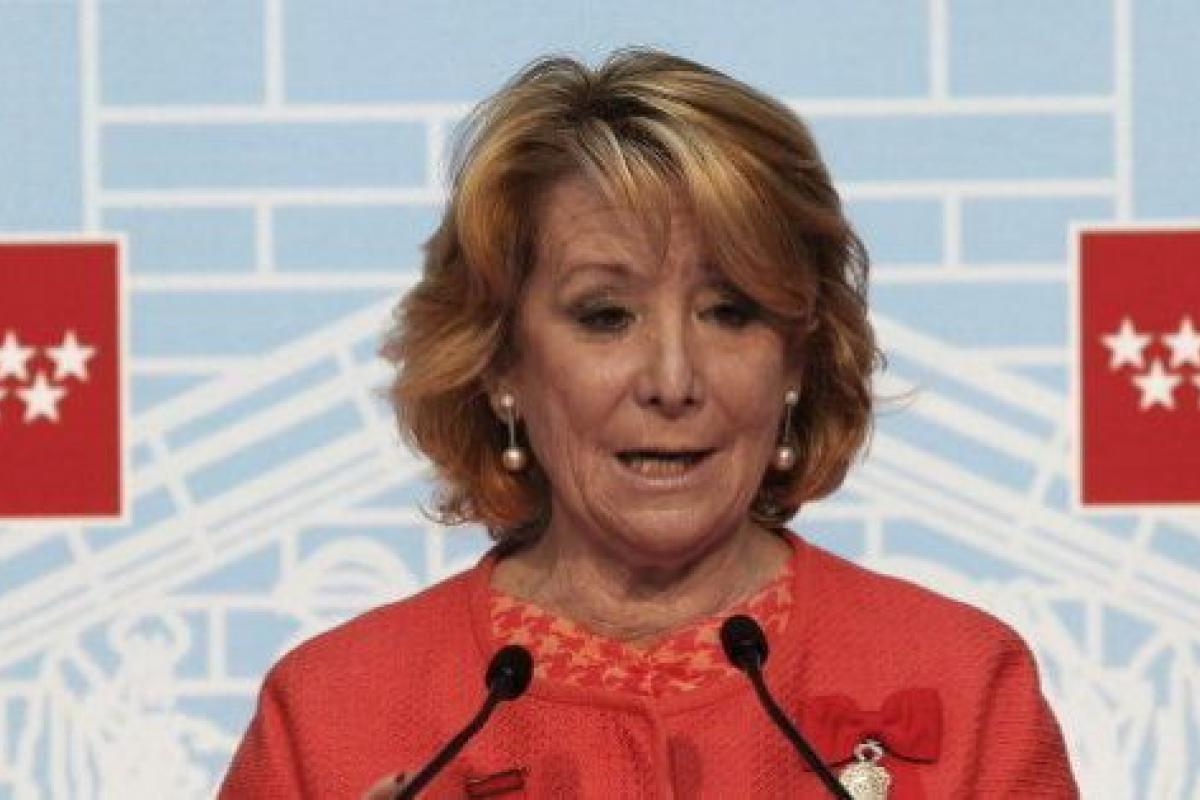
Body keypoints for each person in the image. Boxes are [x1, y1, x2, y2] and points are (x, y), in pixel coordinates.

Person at [219, 49, 1078, 799]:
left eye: (731, 312)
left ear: (797, 358)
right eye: (605, 316)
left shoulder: (965, 680)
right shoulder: (329, 713)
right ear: (501, 362)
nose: (673, 381)